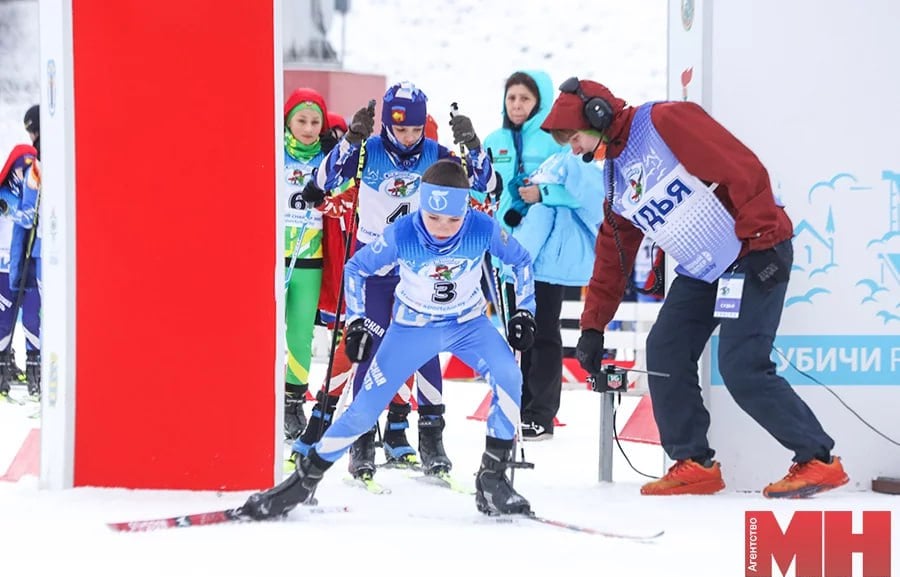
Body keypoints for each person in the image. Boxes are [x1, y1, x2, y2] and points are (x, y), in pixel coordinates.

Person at [541, 78, 848, 498]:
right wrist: (593, 327)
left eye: (574, 138)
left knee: (742, 365)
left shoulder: (664, 121)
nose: (573, 149)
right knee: (666, 349)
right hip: (704, 270)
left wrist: (762, 239)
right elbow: (612, 254)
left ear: (598, 116)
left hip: (752, 250)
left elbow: (740, 166)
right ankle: (694, 462)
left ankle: (818, 459)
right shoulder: (614, 178)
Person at [241, 159, 536, 519]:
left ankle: (493, 479)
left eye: (453, 220)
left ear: (465, 211)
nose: (443, 228)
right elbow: (356, 268)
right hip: (412, 328)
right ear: (421, 206)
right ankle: (302, 481)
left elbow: (521, 262)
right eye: (434, 217)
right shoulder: (404, 233)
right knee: (364, 410)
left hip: (468, 325)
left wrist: (525, 312)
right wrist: (357, 322)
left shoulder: (481, 227)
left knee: (509, 377)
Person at [293, 82, 495, 480]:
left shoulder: (437, 156)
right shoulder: (368, 153)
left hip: (419, 270)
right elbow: (321, 181)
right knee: (368, 349)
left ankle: (432, 437)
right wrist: (351, 141)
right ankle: (364, 438)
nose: (408, 139)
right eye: (400, 130)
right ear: (387, 125)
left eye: (415, 131)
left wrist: (472, 146)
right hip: (374, 268)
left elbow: (487, 186)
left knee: (427, 351)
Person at [481, 70, 605, 440]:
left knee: (545, 330)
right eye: (511, 98)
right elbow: (488, 191)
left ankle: (541, 413)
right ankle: (515, 404)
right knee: (513, 330)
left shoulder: (559, 144)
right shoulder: (494, 140)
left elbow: (582, 194)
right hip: (505, 249)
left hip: (548, 255)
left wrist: (544, 196)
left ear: (542, 103)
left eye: (526, 99)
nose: (517, 105)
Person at [281, 88, 343, 440]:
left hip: (309, 259)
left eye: (314, 121)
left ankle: (293, 402)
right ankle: (260, 394)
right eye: (301, 120)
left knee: (301, 335)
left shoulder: (326, 159)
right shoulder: (274, 152)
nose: (307, 127)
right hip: (273, 259)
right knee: (265, 332)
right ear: (288, 121)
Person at [0, 108, 42, 398]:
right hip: (10, 254)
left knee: (31, 314)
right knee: (8, 312)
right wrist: (21, 211)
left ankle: (34, 366)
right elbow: (15, 204)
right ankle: (4, 365)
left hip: (32, 252)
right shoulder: (26, 160)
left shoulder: (36, 161)